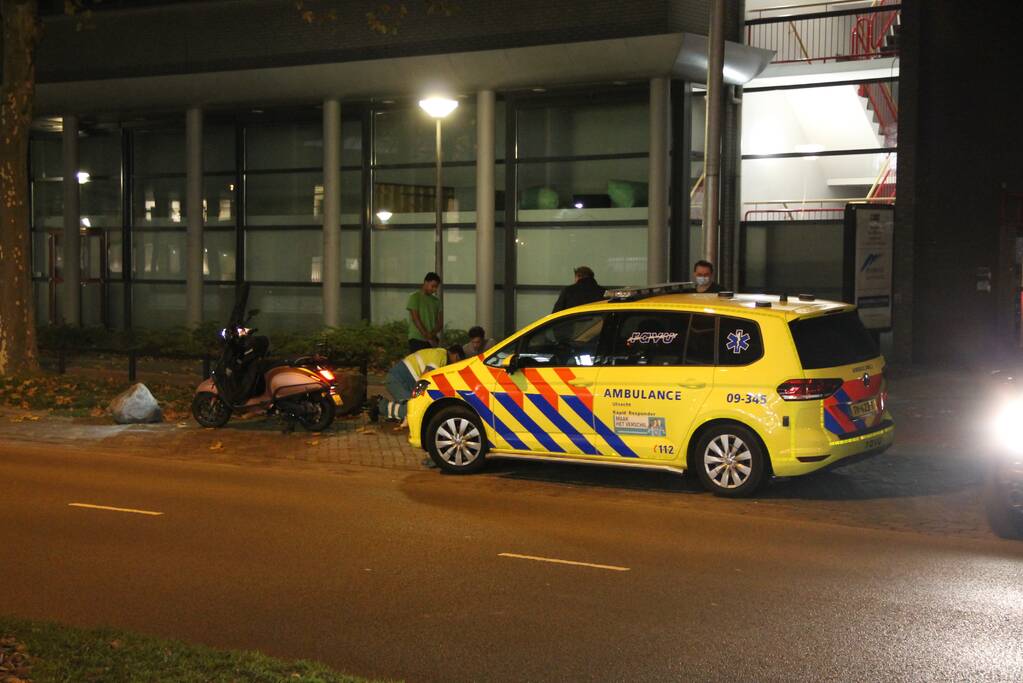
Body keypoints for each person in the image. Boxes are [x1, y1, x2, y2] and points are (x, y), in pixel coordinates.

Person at [370, 344, 465, 426]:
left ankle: (381, 405)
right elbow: (425, 377)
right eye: (457, 362)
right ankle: (379, 405)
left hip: (400, 379)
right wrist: (418, 398)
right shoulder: (440, 356)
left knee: (412, 409)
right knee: (412, 410)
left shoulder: (439, 354)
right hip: (397, 379)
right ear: (456, 356)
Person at [407, 272, 443, 353]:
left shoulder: (437, 301)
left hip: (432, 339)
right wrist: (427, 336)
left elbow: (440, 323)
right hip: (416, 339)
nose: (434, 289)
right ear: (426, 282)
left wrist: (432, 335)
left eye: (436, 287)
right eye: (433, 286)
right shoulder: (415, 297)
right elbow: (415, 318)